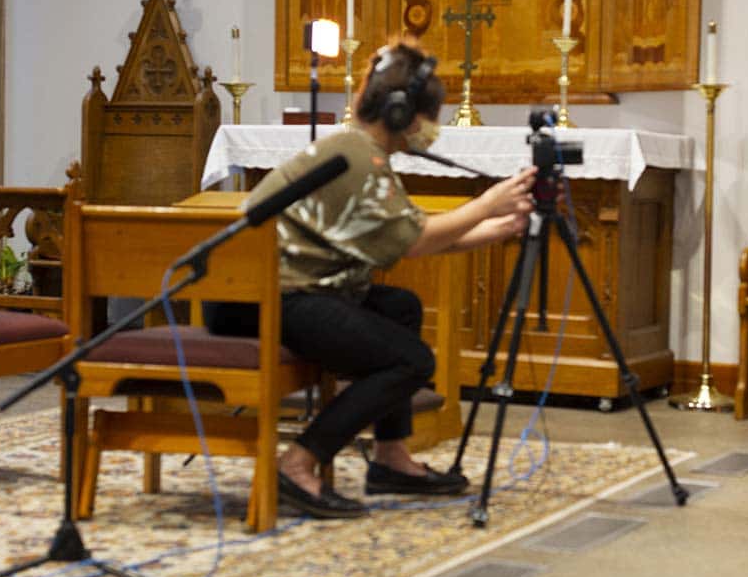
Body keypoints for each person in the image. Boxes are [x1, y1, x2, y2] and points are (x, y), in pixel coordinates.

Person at [207, 40, 536, 518]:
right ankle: (298, 464)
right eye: (431, 116)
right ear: (402, 113)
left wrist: (499, 226)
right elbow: (418, 239)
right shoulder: (358, 155)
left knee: (399, 307)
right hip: (261, 299)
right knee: (409, 362)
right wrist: (486, 205)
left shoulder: (361, 150)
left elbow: (406, 237)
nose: (433, 129)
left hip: (275, 290)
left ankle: (390, 458)